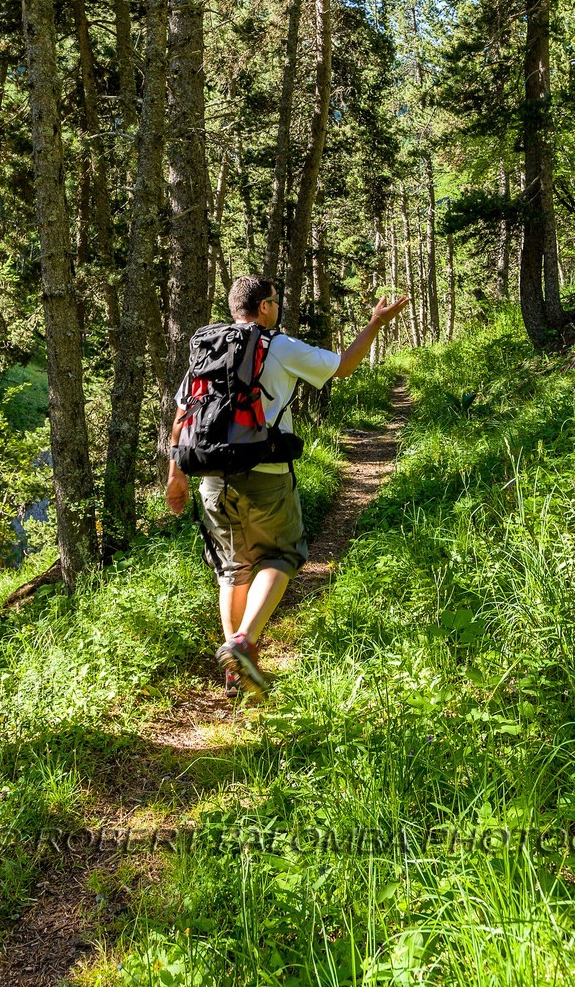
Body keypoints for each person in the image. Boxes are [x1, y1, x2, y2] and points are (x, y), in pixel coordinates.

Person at [165, 276, 409, 695]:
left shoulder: (206, 349)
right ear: (263, 307)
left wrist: (175, 474)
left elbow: (183, 415)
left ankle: (236, 673)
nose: (278, 308)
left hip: (209, 479)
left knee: (232, 568)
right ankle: (244, 642)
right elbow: (344, 366)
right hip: (266, 474)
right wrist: (374, 324)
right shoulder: (276, 344)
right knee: (283, 553)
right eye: (275, 301)